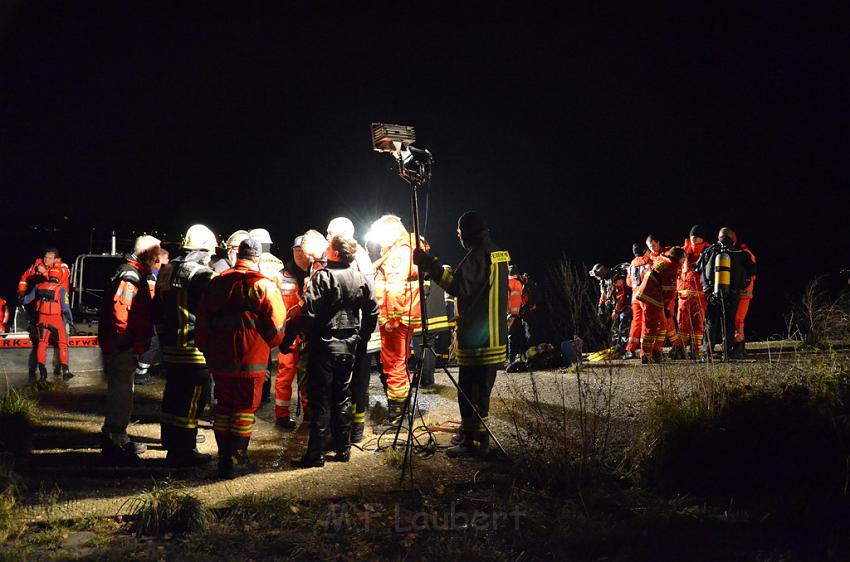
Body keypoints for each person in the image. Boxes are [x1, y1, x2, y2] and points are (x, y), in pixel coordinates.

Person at [414, 210, 509, 458]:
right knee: (480, 392)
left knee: (471, 394)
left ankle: (475, 444)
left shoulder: (478, 256)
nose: (458, 238)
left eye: (459, 233)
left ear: (466, 233)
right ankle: (472, 435)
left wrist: (429, 265)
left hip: (479, 340)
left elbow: (457, 287)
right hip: (494, 337)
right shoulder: (497, 253)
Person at [195, 238, 287, 479]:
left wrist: (207, 350)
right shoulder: (264, 286)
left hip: (220, 359)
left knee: (224, 409)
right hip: (251, 359)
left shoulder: (217, 283)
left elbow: (202, 321)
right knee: (244, 410)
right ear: (257, 258)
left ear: (238, 255)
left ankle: (224, 458)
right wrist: (269, 344)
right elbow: (278, 327)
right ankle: (237, 460)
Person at [288, 234, 379, 467]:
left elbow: (307, 313)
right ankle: (343, 449)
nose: (325, 250)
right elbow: (372, 312)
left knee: (320, 400)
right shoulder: (361, 278)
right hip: (348, 346)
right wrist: (362, 337)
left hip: (324, 346)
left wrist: (289, 338)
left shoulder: (324, 278)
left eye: (328, 247)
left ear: (336, 253)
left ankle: (315, 455)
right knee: (342, 397)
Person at [154, 224, 217, 467]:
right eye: (209, 253)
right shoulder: (202, 275)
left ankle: (171, 445)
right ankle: (185, 450)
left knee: (173, 398)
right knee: (192, 404)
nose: (211, 258)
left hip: (171, 347)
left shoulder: (166, 270)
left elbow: (156, 309)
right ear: (202, 250)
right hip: (194, 349)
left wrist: (162, 338)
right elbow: (214, 308)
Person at [99, 235, 161, 465]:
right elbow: (121, 315)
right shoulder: (131, 277)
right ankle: (114, 440)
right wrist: (127, 344)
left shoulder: (131, 274)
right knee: (121, 394)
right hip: (122, 348)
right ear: (145, 255)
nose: (156, 262)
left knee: (124, 393)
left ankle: (120, 437)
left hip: (123, 347)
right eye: (154, 257)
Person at [327, 217, 375, 442]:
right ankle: (347, 429)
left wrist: (363, 336)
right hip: (356, 331)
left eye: (330, 233)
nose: (327, 238)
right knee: (350, 382)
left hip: (356, 332)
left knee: (357, 382)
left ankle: (354, 430)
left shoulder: (358, 260)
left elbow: (368, 299)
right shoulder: (358, 258)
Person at [371, 215, 420, 424]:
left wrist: (392, 319)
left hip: (395, 319)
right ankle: (401, 412)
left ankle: (397, 418)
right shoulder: (405, 249)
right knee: (400, 362)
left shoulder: (400, 252)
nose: (380, 241)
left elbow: (395, 288)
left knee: (394, 365)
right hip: (403, 317)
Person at [697, 228, 756, 361]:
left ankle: (708, 354)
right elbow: (752, 270)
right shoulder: (740, 251)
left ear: (719, 237)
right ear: (732, 237)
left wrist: (707, 289)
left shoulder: (710, 250)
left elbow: (699, 268)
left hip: (713, 293)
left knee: (711, 323)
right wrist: (741, 285)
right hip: (733, 293)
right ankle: (727, 353)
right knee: (729, 323)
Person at [274, 235, 311, 429]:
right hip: (288, 334)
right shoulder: (281, 275)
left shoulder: (316, 272)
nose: (298, 254)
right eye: (295, 250)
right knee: (285, 374)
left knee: (308, 375)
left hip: (309, 335)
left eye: (301, 250)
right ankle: (281, 415)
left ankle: (309, 412)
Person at [18, 248, 72, 378]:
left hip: (53, 309)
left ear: (55, 259)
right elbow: (25, 277)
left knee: (48, 341)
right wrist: (20, 291)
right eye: (45, 257)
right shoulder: (37, 267)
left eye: (49, 258)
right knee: (58, 341)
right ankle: (62, 371)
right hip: (46, 311)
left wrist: (44, 273)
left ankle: (46, 371)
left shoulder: (62, 267)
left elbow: (59, 276)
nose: (46, 260)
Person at [634, 247, 686, 364]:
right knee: (651, 327)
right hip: (651, 298)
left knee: (662, 325)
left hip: (650, 296)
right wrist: (667, 307)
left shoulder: (663, 260)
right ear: (680, 258)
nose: (684, 261)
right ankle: (646, 355)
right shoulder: (671, 267)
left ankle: (657, 352)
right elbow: (669, 290)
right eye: (684, 258)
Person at [135, 247, 170, 386]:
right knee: (153, 343)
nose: (168, 261)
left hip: (154, 315)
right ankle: (140, 373)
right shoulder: (152, 276)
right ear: (159, 259)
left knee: (157, 341)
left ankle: (151, 367)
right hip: (149, 314)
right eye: (166, 258)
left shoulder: (155, 274)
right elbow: (152, 297)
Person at [677, 226, 710, 359]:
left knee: (698, 324)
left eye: (696, 237)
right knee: (682, 323)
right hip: (684, 294)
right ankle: (680, 350)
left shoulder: (709, 251)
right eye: (692, 237)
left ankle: (695, 351)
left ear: (702, 238)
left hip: (700, 294)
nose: (694, 239)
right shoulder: (682, 251)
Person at [625, 243, 652, 359]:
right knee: (646, 323)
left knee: (636, 322)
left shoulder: (632, 264)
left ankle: (630, 349)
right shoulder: (648, 262)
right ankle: (644, 352)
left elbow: (629, 282)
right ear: (645, 251)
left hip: (635, 297)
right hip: (646, 297)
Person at [732, 232, 756, 351]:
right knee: (736, 320)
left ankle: (739, 346)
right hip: (741, 291)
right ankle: (737, 344)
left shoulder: (744, 254)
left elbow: (751, 273)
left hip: (743, 292)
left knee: (738, 320)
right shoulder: (743, 253)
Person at [506, 265, 526, 364]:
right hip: (518, 314)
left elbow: (506, 301)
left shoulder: (506, 283)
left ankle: (511, 360)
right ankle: (521, 359)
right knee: (519, 337)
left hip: (510, 315)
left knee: (511, 338)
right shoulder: (519, 283)